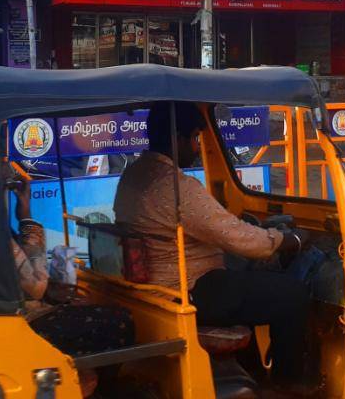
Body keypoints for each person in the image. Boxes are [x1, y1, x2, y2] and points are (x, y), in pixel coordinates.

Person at [113, 103, 314, 394]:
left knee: (246, 281)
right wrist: (288, 240)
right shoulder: (177, 187)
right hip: (189, 288)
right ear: (177, 139)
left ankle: (253, 373)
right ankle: (290, 384)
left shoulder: (133, 175)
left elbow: (215, 227)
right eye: (195, 138)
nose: (196, 148)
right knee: (291, 293)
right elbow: (238, 238)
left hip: (155, 287)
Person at [8, 170, 135, 397]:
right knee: (121, 321)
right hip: (20, 321)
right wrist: (26, 216)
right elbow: (36, 285)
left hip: (14, 312)